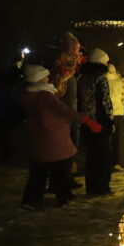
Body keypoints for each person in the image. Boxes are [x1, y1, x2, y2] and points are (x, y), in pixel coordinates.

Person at [19, 64, 101, 209]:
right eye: (45, 76)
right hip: (53, 139)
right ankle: (64, 197)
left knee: (38, 172)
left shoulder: (28, 95)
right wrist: (87, 120)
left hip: (39, 139)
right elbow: (64, 111)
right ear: (39, 79)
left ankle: (30, 199)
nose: (48, 78)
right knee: (60, 170)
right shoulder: (45, 95)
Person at [77, 49, 114, 196]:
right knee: (104, 155)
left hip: (86, 121)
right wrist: (109, 119)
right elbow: (105, 101)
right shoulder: (101, 78)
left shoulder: (82, 78)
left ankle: (91, 187)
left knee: (91, 156)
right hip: (101, 121)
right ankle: (102, 186)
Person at [53, 32, 85, 176]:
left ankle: (70, 166)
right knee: (69, 137)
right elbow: (58, 90)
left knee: (73, 136)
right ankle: (66, 168)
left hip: (72, 111)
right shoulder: (63, 71)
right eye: (77, 50)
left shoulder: (74, 71)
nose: (79, 53)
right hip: (67, 112)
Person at [0, 55, 22, 163]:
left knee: (8, 131)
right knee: (1, 131)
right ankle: (6, 153)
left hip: (8, 105)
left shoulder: (12, 73)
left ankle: (9, 153)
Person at [106, 62, 124, 170]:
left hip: (108, 114)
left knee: (108, 138)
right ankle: (118, 161)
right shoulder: (122, 82)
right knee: (119, 139)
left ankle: (108, 160)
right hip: (120, 113)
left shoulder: (104, 81)